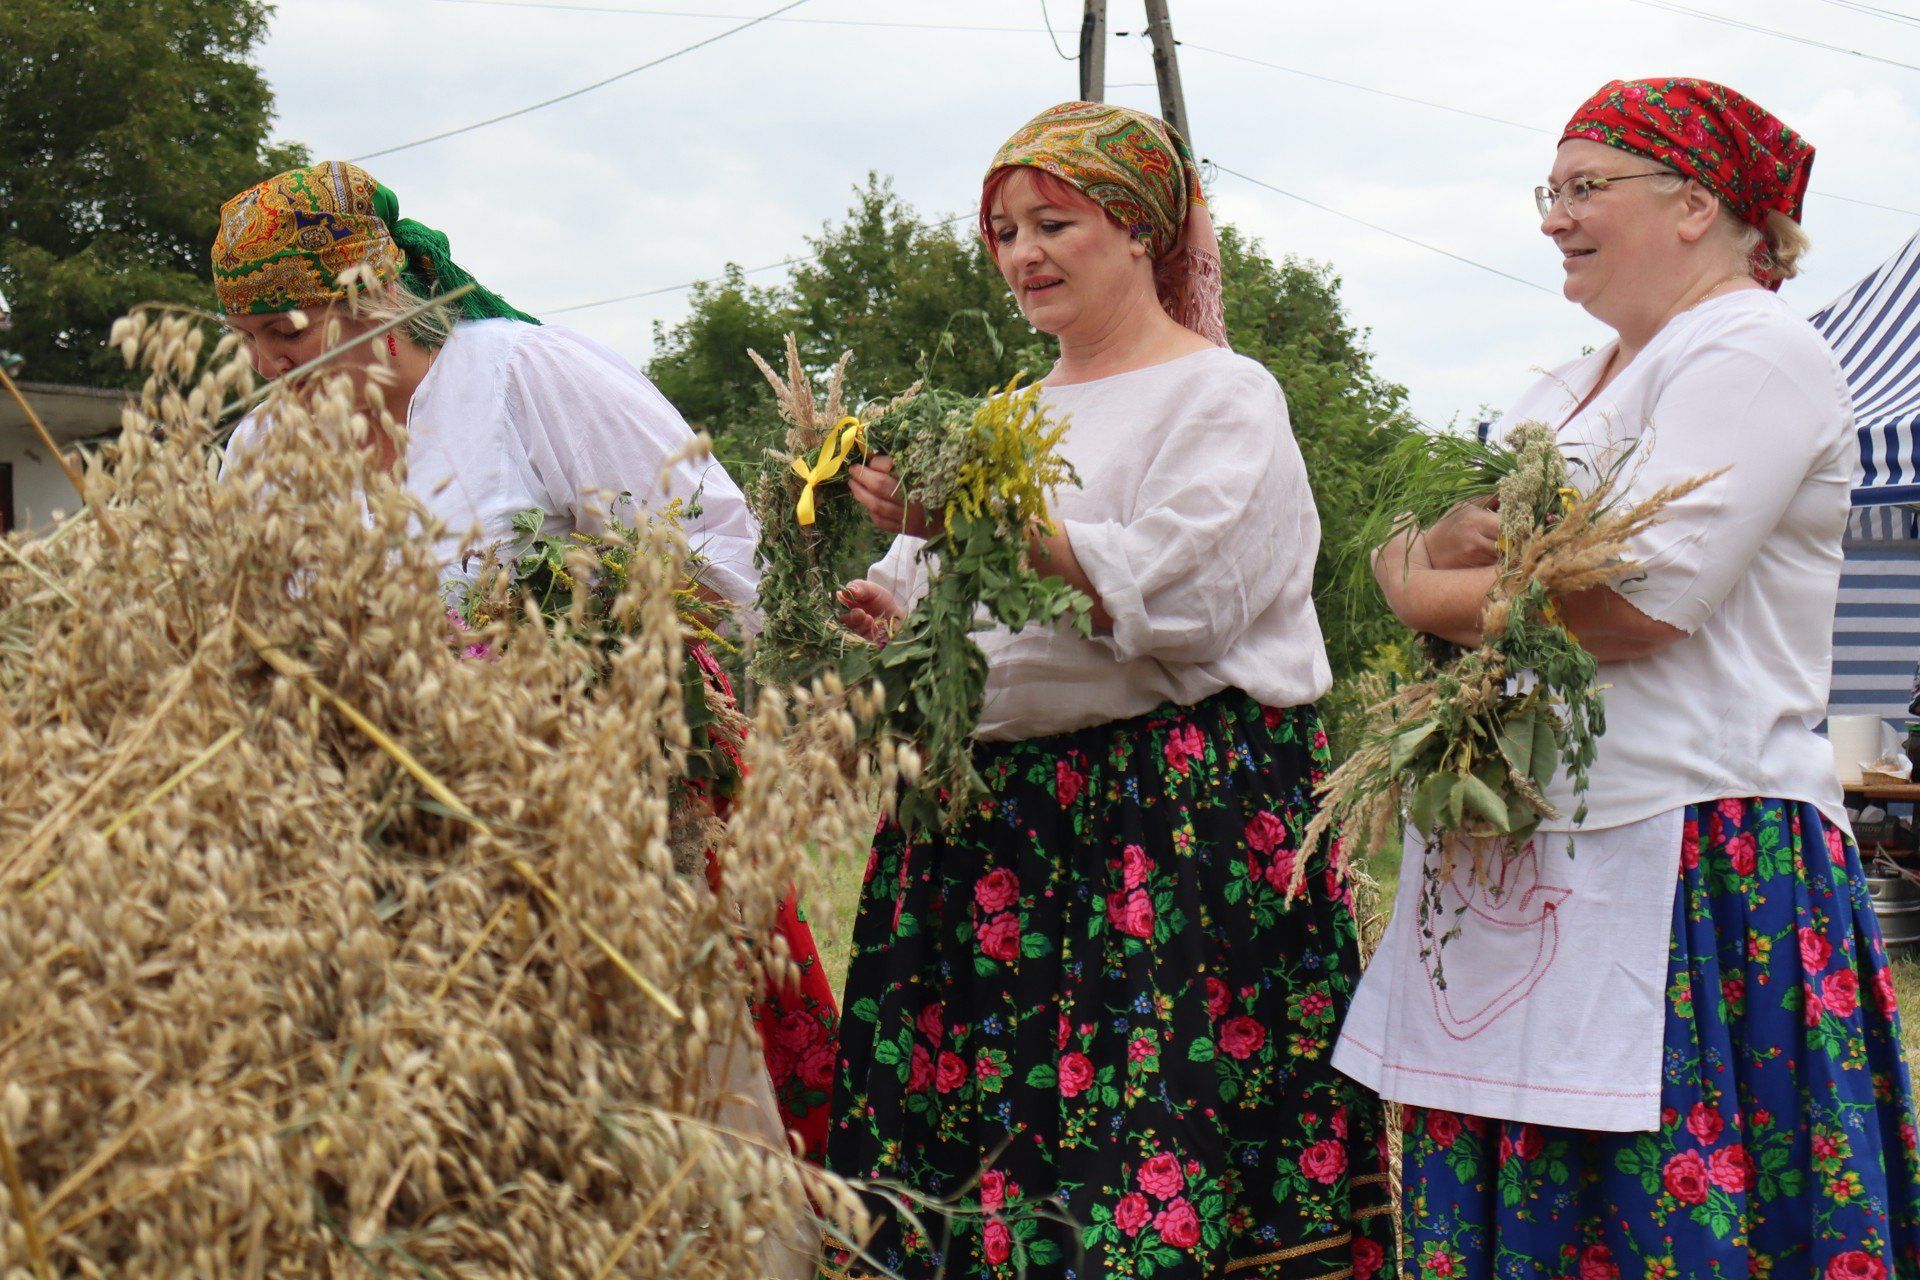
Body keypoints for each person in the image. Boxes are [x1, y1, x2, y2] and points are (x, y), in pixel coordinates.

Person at [1334, 78, 1920, 1273]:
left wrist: (1414, 580)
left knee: (1684, 1218)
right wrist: (1449, 567)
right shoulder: (1570, 382)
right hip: (1540, 846)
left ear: (1699, 201)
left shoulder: (1756, 351)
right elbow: (1477, 560)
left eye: (1585, 188)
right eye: (1549, 191)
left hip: (1695, 851)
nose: (1554, 217)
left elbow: (1634, 605)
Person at [821, 102, 1395, 1280]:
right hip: (993, 822)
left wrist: (982, 515)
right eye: (1001, 229)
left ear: (1138, 229)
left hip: (1160, 822)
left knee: (1155, 1147)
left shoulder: (1223, 397)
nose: (1022, 252)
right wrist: (893, 619)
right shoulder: (1002, 420)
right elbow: (946, 599)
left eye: (1054, 222)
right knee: (993, 1160)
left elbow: (1184, 598)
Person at [208, 162, 839, 1204]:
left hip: (598, 828)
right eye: (247, 339)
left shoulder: (518, 375)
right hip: (386, 849)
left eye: (286, 325)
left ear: (370, 292)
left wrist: (583, 657)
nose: (269, 363)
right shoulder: (263, 450)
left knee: (666, 1116)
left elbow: (715, 546)